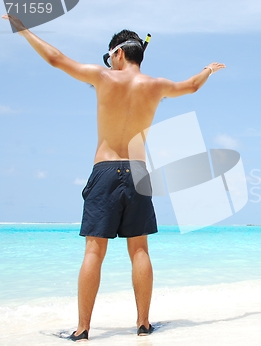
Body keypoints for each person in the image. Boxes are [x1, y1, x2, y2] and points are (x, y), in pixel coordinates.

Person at [2, 14, 225, 341]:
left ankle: (82, 330)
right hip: (138, 172)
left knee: (94, 251)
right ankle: (144, 324)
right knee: (140, 250)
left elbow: (55, 58)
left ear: (120, 53)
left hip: (105, 170)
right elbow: (191, 86)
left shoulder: (102, 77)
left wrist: (22, 28)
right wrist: (207, 70)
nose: (108, 60)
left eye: (109, 55)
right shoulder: (157, 85)